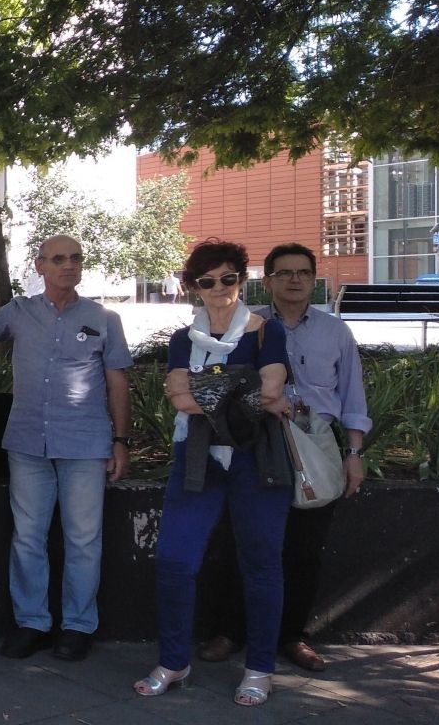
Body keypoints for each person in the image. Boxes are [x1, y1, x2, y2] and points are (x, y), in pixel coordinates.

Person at [194, 243, 368, 672]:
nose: (295, 279)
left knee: (304, 549)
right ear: (266, 280)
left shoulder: (335, 332)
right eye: (285, 272)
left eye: (303, 272)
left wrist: (354, 453)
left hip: (315, 445)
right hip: (256, 442)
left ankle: (292, 636)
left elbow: (352, 396)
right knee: (241, 542)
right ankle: (230, 631)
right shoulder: (245, 325)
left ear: (314, 278)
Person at [134, 239, 292, 706]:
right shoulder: (184, 339)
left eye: (229, 278)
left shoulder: (267, 332)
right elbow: (183, 399)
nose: (219, 288)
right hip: (196, 456)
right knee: (174, 561)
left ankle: (261, 668)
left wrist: (204, 391)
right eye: (207, 281)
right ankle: (174, 659)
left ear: (242, 280)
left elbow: (271, 389)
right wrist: (240, 387)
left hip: (256, 458)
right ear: (193, 287)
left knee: (262, 565)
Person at [0, 235, 132, 663]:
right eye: (58, 259)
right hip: (27, 442)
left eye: (75, 258)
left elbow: (118, 381)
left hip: (85, 443)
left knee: (83, 539)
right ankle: (32, 623)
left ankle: (78, 627)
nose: (68, 265)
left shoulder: (103, 317)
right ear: (39, 265)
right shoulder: (20, 312)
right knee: (28, 537)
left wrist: (121, 441)